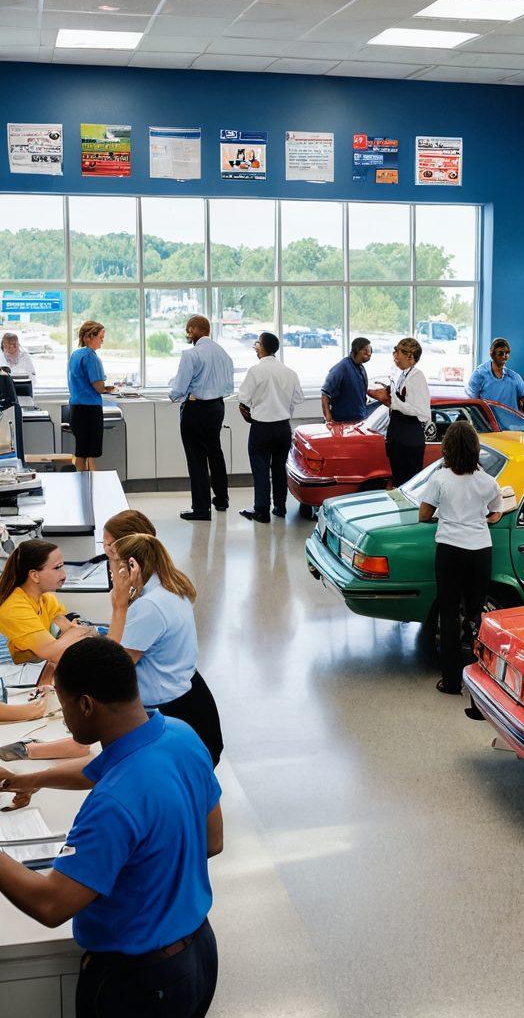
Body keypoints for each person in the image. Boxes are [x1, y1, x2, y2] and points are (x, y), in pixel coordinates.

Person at [0, 638, 222, 1018]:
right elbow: (212, 841)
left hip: (140, 984)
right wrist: (30, 779)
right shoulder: (180, 736)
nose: (65, 719)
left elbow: (51, 904)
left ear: (85, 705)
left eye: (64, 706)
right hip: (198, 955)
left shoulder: (113, 803)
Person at [107, 533, 223, 766]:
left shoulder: (149, 606)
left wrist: (119, 606)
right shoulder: (168, 588)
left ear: (132, 566)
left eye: (113, 563)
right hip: (189, 699)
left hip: (170, 712)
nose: (110, 571)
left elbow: (113, 668)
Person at [418, 421, 503, 694]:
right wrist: (486, 517)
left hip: (450, 551)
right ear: (475, 449)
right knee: (476, 615)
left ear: (448, 449)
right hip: (480, 551)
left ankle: (452, 681)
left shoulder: (440, 479)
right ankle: (482, 676)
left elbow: (424, 514)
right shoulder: (488, 481)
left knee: (449, 613)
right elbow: (496, 512)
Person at [170, 316, 234, 522]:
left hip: (196, 409)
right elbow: (228, 387)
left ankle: (201, 508)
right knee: (215, 452)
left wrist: (173, 396)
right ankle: (222, 500)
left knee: (196, 458)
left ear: (193, 330)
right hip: (217, 407)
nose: (188, 335)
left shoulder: (191, 354)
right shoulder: (223, 353)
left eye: (188, 331)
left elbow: (179, 388)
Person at [237, 332, 304, 523]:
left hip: (262, 428)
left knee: (260, 469)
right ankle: (280, 507)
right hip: (283, 428)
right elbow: (298, 398)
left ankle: (261, 511)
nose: (255, 347)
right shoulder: (289, 372)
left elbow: (243, 398)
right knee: (279, 468)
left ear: (262, 347)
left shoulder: (255, 371)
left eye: (257, 344)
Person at [0, 540, 90, 666]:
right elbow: (54, 653)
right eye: (57, 568)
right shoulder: (14, 608)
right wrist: (76, 633)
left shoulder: (46, 598)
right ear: (35, 575)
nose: (64, 575)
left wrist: (72, 634)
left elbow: (67, 630)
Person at [369, 337, 431, 487]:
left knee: (407, 484)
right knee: (398, 481)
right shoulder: (402, 374)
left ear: (410, 356)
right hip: (398, 438)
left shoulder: (417, 377)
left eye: (397, 351)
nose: (394, 355)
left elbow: (422, 411)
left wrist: (391, 400)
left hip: (409, 440)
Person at [67, 320, 116, 473]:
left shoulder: (75, 355)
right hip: (88, 410)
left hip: (76, 408)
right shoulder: (90, 356)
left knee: (82, 451)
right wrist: (108, 389)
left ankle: (86, 487)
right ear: (89, 337)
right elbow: (98, 386)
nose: (102, 341)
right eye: (100, 337)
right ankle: (89, 486)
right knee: (87, 453)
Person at [467, 337, 524, 411]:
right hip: (488, 421)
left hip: (512, 421)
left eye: (507, 353)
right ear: (491, 354)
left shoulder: (514, 377)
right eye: (500, 353)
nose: (504, 356)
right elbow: (472, 404)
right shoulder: (479, 374)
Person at [321, 337, 373, 424]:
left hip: (359, 420)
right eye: (365, 350)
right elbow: (325, 395)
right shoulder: (341, 367)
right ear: (356, 349)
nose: (369, 354)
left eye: (370, 351)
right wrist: (328, 418)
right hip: (342, 421)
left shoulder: (361, 368)